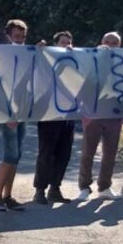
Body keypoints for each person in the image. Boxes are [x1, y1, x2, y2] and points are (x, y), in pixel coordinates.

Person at [76, 32, 123, 201]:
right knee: (87, 153)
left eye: (114, 42)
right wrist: (84, 111)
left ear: (119, 45)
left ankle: (104, 187)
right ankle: (84, 187)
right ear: (101, 42)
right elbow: (81, 84)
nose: (110, 45)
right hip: (93, 114)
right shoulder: (91, 60)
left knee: (110, 154)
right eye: (107, 41)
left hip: (114, 116)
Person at [33, 30, 77, 205]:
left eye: (68, 42)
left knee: (64, 153)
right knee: (46, 153)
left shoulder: (75, 63)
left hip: (68, 114)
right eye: (62, 42)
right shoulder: (47, 60)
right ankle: (40, 190)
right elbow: (35, 70)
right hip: (49, 114)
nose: (66, 45)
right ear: (56, 44)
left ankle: (55, 188)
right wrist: (40, 51)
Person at [0, 19, 29, 212]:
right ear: (8, 37)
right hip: (8, 113)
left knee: (17, 155)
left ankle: (7, 195)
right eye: (16, 37)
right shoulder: (2, 57)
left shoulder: (25, 55)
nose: (20, 40)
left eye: (23, 37)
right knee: (10, 155)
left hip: (21, 112)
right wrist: (7, 114)